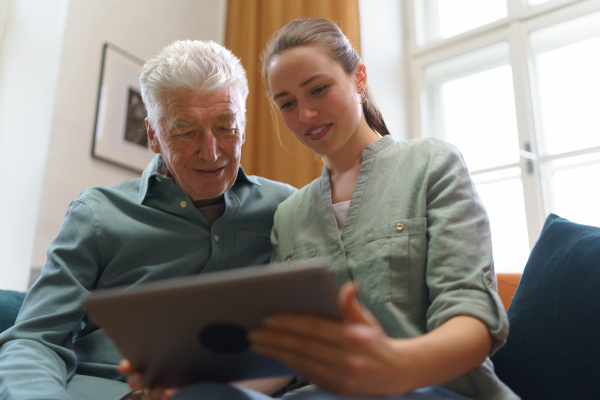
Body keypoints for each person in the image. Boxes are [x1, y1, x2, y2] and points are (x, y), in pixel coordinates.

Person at [122, 19, 518, 400]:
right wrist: (193, 388)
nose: (305, 115)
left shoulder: (432, 165)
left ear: (359, 78)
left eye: (318, 90)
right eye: (287, 103)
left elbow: (472, 319)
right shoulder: (290, 214)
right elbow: (286, 355)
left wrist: (396, 364)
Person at [0, 40, 296, 400]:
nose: (212, 151)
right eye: (186, 132)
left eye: (226, 126)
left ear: (244, 125)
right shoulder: (97, 213)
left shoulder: (286, 208)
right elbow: (35, 338)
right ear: (154, 136)